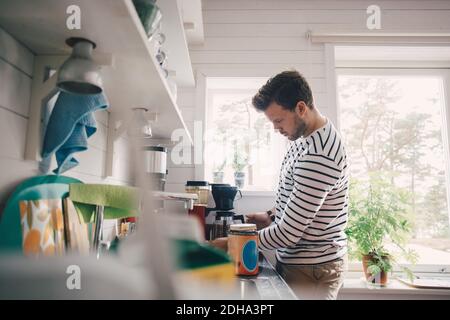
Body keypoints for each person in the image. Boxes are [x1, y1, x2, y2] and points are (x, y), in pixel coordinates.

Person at [212, 70, 349, 300]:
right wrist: (270, 215)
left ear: (301, 108)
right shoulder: (305, 138)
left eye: (278, 120)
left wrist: (231, 244)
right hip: (301, 264)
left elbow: (289, 233)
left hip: (313, 269)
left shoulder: (320, 154)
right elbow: (300, 197)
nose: (276, 128)